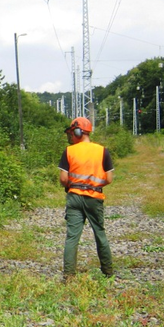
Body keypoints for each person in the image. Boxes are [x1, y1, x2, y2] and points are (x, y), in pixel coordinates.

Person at [58, 116, 114, 281]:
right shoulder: (102, 151)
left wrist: (73, 185)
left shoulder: (69, 151)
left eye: (72, 132)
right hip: (94, 197)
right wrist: (93, 184)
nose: (70, 136)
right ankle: (108, 271)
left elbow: (63, 179)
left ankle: (69, 275)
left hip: (74, 196)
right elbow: (109, 179)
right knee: (100, 234)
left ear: (77, 131)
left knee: (72, 237)